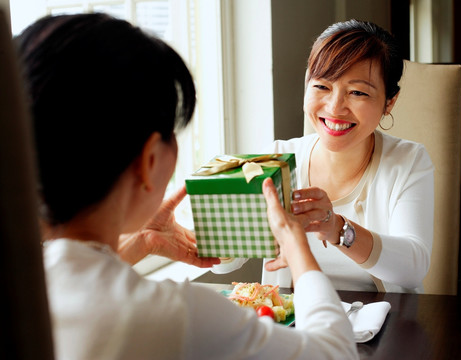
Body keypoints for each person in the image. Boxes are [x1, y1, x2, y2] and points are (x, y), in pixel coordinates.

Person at [16, 13, 357, 359]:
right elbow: (336, 353)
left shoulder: (22, 290)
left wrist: (139, 243)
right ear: (149, 161)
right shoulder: (178, 313)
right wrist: (295, 244)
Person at [213, 20, 434, 293]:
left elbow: (413, 268)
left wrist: (337, 229)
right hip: (295, 328)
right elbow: (226, 262)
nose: (335, 107)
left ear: (390, 101)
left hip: (386, 326)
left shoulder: (409, 161)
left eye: (357, 92)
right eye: (322, 87)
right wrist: (204, 228)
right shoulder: (277, 157)